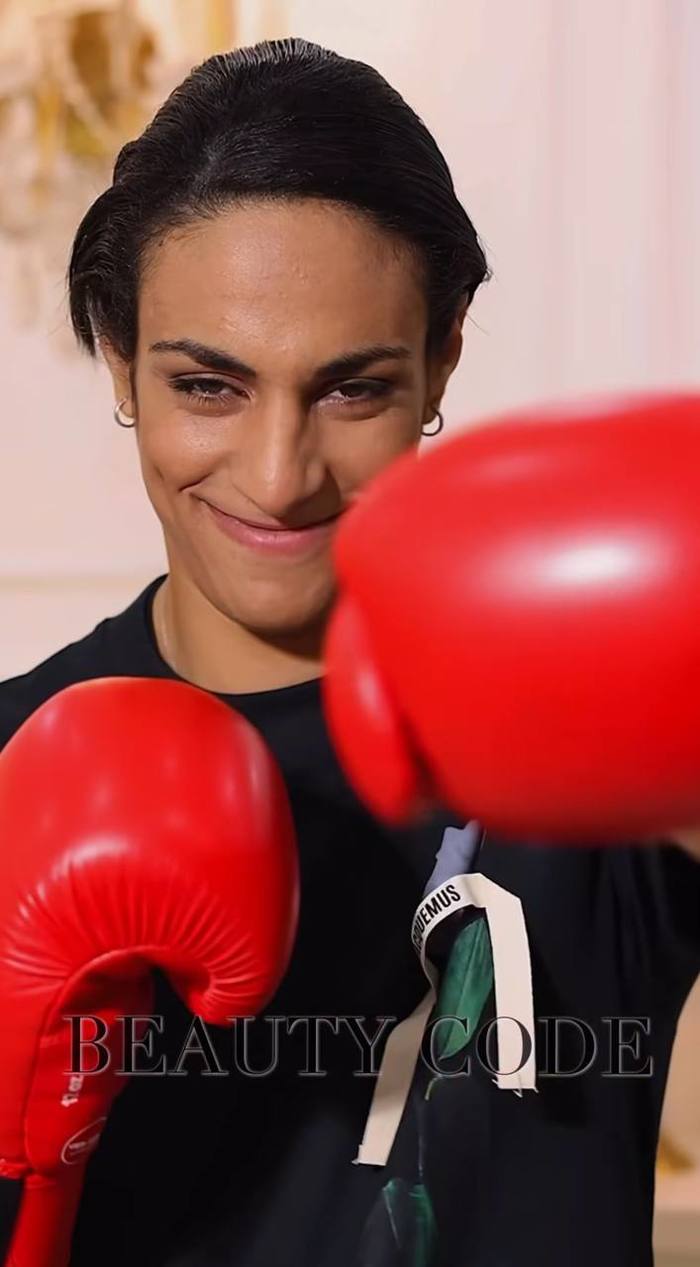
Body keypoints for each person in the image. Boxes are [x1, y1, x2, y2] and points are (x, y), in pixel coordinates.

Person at [0, 36, 697, 1267]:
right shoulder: (10, 763)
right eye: (208, 386)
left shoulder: (588, 727)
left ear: (441, 360)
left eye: (351, 390)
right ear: (120, 359)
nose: (280, 476)